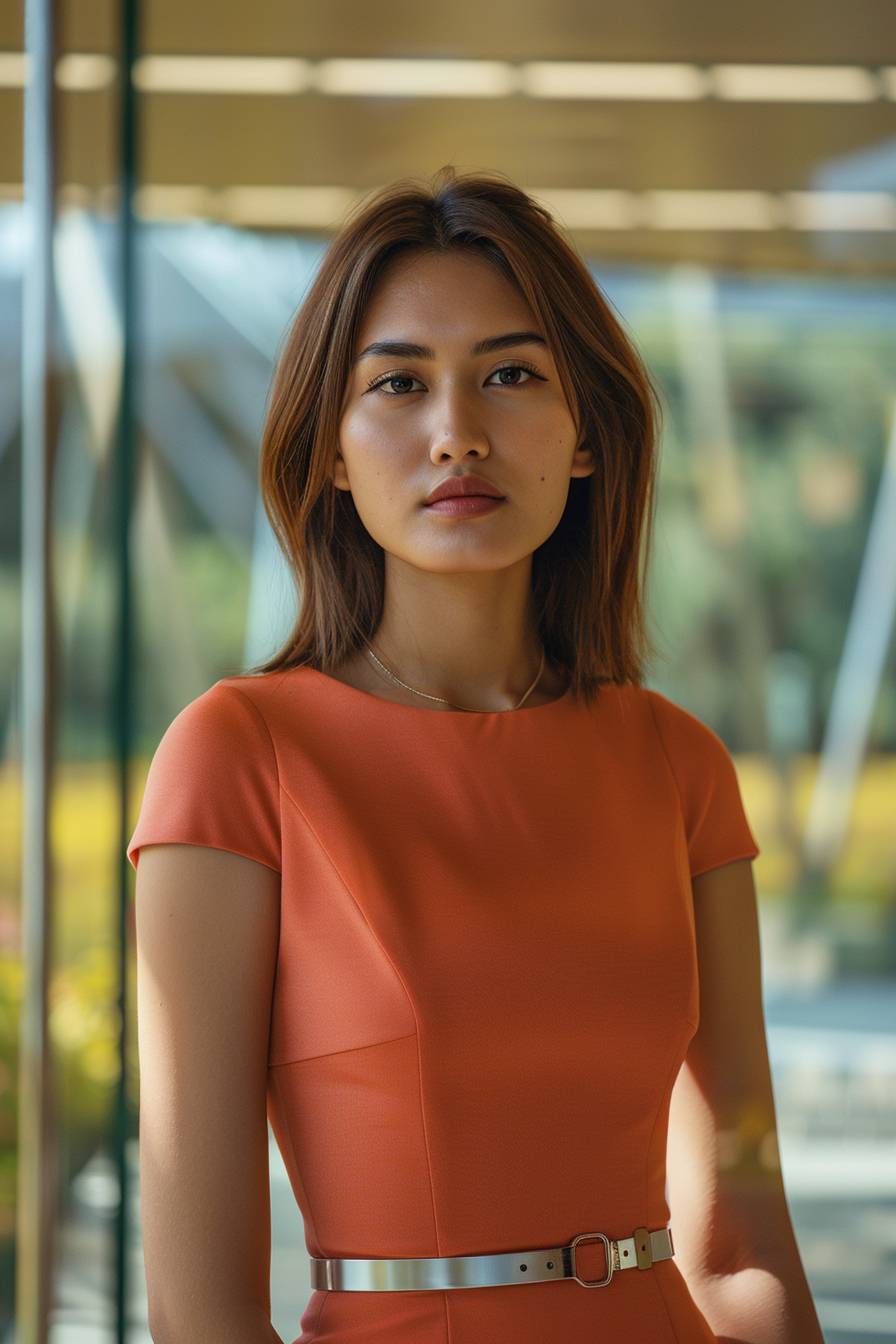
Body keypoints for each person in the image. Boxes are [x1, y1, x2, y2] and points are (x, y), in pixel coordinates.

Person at [127, 166, 824, 1344]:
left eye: (509, 375)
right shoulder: (237, 757)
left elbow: (744, 1216)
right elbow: (200, 1308)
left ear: (587, 435)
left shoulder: (677, 769)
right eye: (398, 383)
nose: (456, 433)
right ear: (334, 453)